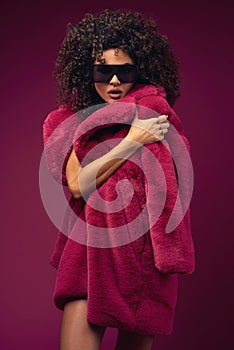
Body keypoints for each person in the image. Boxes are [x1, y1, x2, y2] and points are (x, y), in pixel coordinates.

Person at [42, 9, 195, 350]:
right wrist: (133, 141)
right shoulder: (68, 122)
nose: (113, 81)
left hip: (140, 263)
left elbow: (174, 185)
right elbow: (79, 183)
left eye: (123, 70)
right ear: (87, 71)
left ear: (139, 70)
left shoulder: (154, 112)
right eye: (103, 70)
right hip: (87, 257)